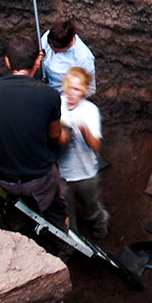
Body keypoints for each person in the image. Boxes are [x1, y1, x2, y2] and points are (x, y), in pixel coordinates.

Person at [0, 35, 68, 230]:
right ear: (37, 62)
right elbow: (55, 135)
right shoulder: (49, 95)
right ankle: (61, 235)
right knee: (58, 196)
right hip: (37, 179)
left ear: (7, 61)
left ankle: (19, 223)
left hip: (1, 175)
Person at [58, 67, 110, 239]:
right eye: (70, 87)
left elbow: (96, 146)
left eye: (77, 89)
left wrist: (83, 128)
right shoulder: (57, 104)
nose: (72, 93)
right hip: (62, 175)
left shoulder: (90, 110)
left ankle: (101, 225)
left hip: (86, 174)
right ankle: (71, 243)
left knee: (92, 209)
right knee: (65, 215)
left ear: (84, 91)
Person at [40, 20, 96, 96]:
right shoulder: (49, 37)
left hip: (64, 97)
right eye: (52, 49)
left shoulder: (83, 58)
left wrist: (70, 99)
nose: (55, 54)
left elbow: (90, 89)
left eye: (58, 51)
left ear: (68, 45)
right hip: (45, 87)